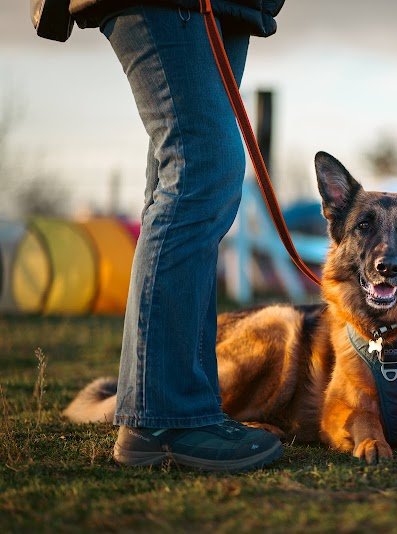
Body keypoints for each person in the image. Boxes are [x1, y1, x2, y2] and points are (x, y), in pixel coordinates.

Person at [69, 0, 286, 472]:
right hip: (172, 2)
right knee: (201, 168)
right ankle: (164, 419)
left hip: (231, 7)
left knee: (183, 175)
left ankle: (184, 406)